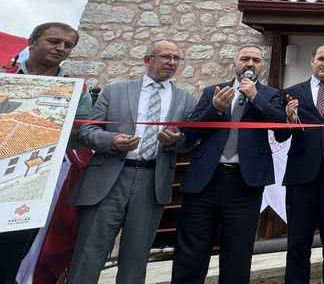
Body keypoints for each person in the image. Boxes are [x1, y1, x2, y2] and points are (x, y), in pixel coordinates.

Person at [67, 40, 196, 283]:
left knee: (136, 259)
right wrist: (112, 140)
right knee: (89, 253)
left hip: (152, 181)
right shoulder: (116, 91)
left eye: (176, 58)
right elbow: (86, 131)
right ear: (148, 60)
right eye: (166, 57)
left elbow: (188, 142)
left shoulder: (186, 100)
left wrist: (173, 142)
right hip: (108, 180)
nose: (172, 63)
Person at [171, 44, 286, 283]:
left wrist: (255, 96)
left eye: (256, 60)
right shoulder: (214, 91)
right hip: (205, 182)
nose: (250, 64)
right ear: (234, 64)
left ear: (261, 66)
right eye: (245, 59)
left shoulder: (270, 95)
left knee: (237, 256)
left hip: (244, 185)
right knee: (191, 253)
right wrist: (215, 109)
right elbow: (190, 131)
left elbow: (280, 126)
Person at [0, 22, 93, 284]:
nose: (61, 48)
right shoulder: (3, 74)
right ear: (32, 41)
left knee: (10, 255)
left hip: (30, 183)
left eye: (68, 45)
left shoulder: (78, 91)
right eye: (54, 41)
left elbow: (81, 136)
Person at [276, 44, 324, 284]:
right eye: (321, 58)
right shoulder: (291, 92)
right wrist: (289, 121)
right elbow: (280, 136)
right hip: (301, 177)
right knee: (298, 243)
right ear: (312, 61)